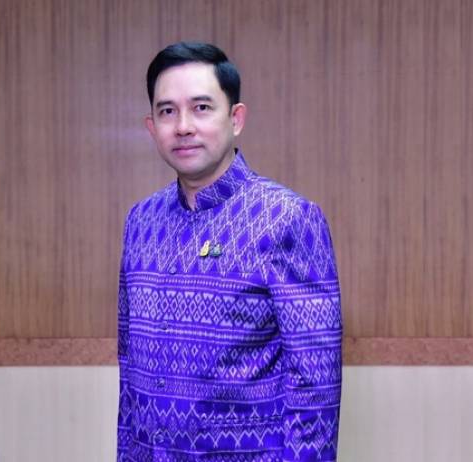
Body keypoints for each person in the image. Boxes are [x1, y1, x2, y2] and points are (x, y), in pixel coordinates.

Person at [116, 41, 343, 462]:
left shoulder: (287, 219)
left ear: (235, 119)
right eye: (167, 111)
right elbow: (130, 373)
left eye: (201, 108)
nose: (183, 126)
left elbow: (315, 388)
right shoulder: (140, 222)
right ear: (151, 127)